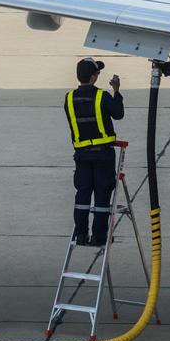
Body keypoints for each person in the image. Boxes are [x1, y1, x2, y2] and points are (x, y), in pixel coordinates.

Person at [65, 58, 125, 246]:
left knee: (83, 194)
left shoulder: (69, 99)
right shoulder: (102, 97)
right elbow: (118, 114)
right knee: (102, 194)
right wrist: (116, 91)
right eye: (97, 73)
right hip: (102, 155)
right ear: (93, 77)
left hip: (82, 155)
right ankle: (99, 235)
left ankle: (81, 234)